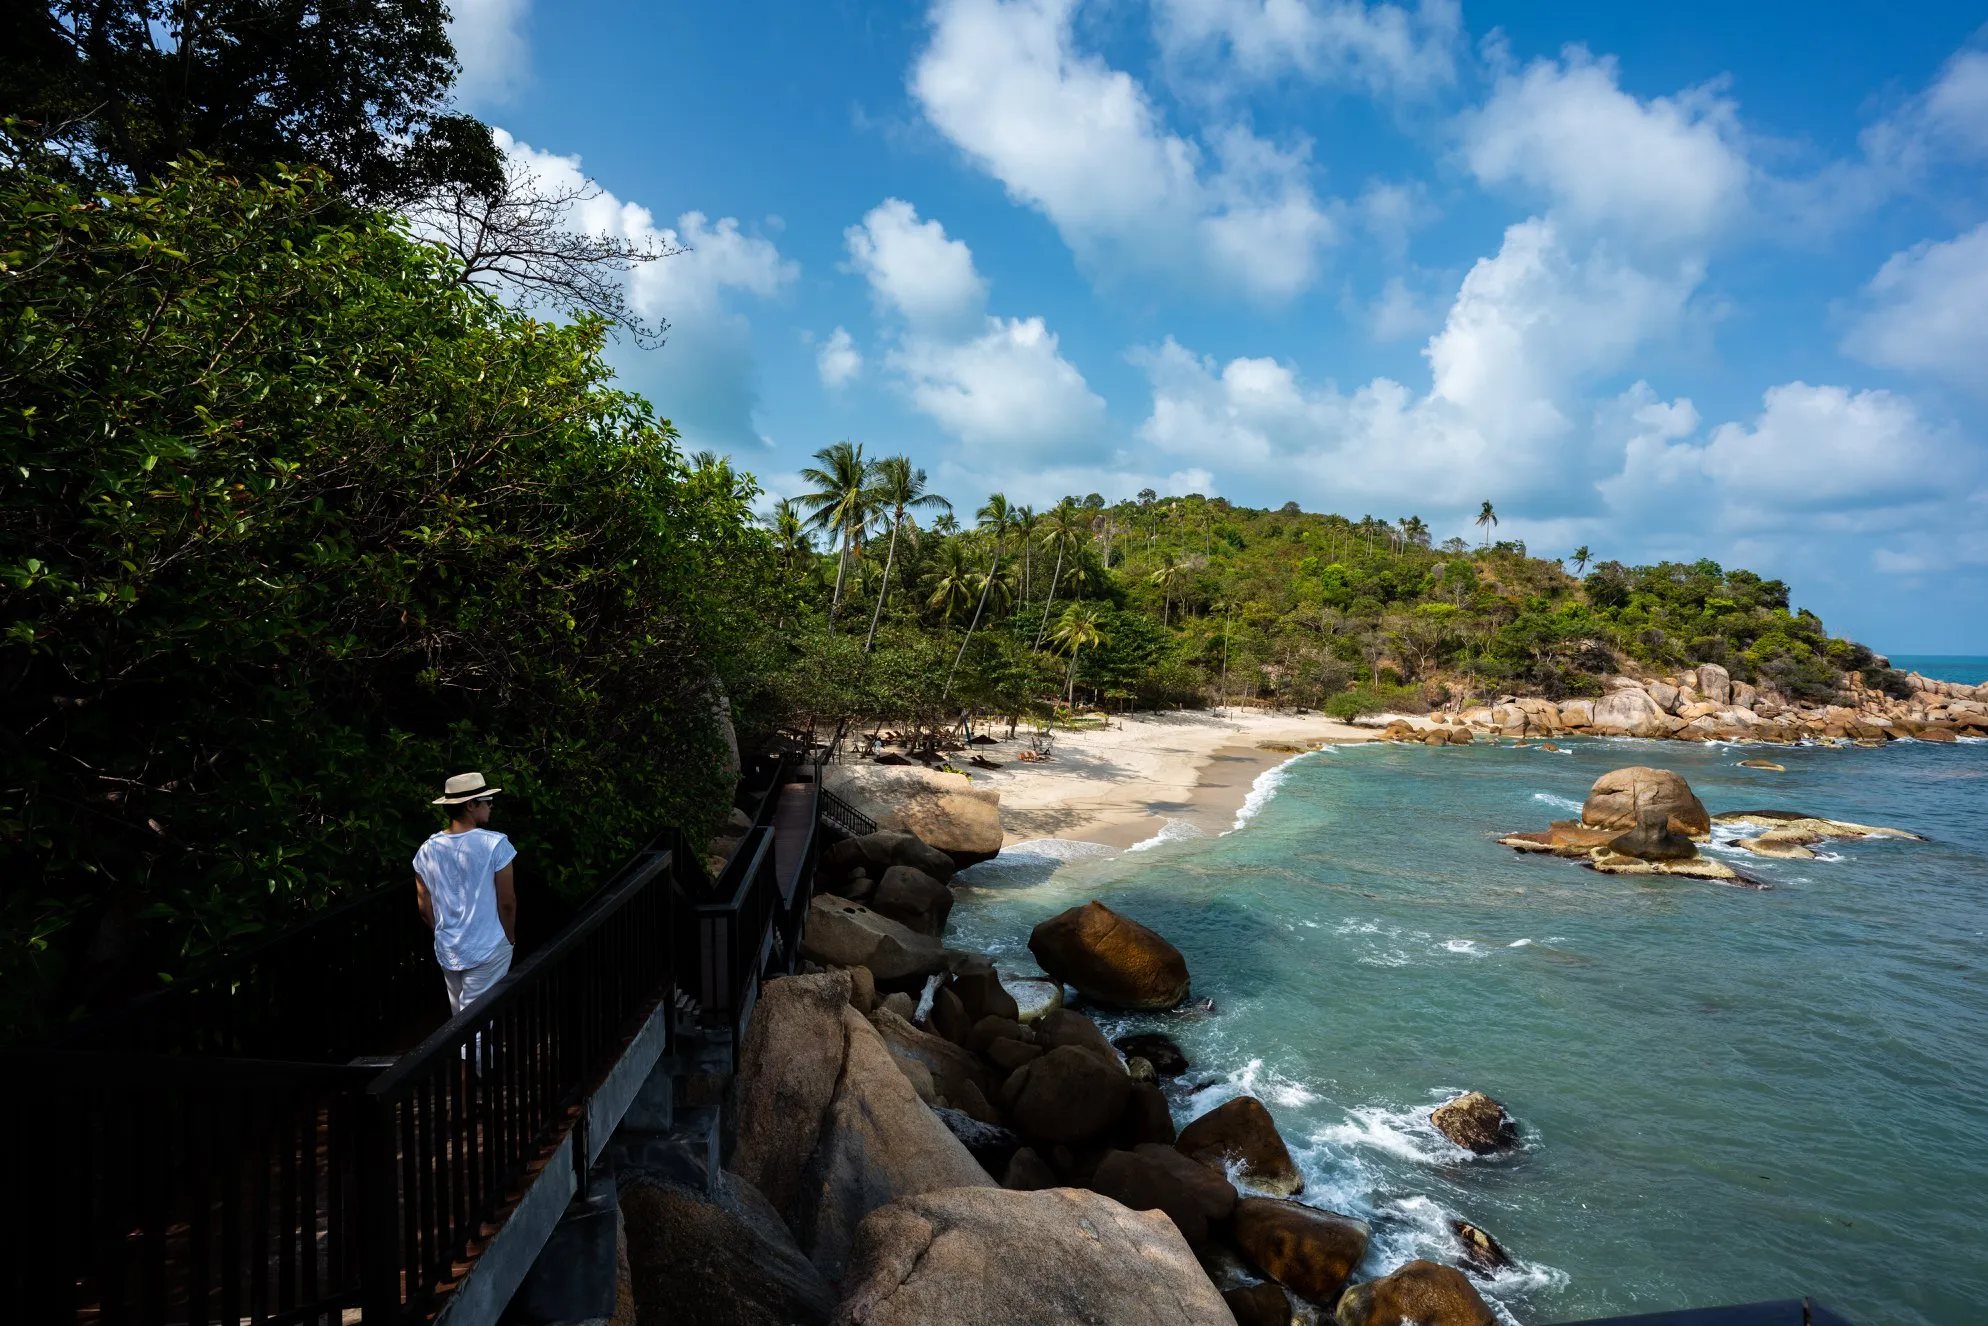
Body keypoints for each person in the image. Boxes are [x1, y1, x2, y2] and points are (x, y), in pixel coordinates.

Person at [413, 772, 518, 1014]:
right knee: (476, 1022)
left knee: (460, 1016)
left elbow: (424, 906)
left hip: (448, 947)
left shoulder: (427, 850)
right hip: (488, 945)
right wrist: (509, 938)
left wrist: (443, 933)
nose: (491, 805)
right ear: (471, 805)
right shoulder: (495, 844)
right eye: (487, 800)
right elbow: (507, 902)